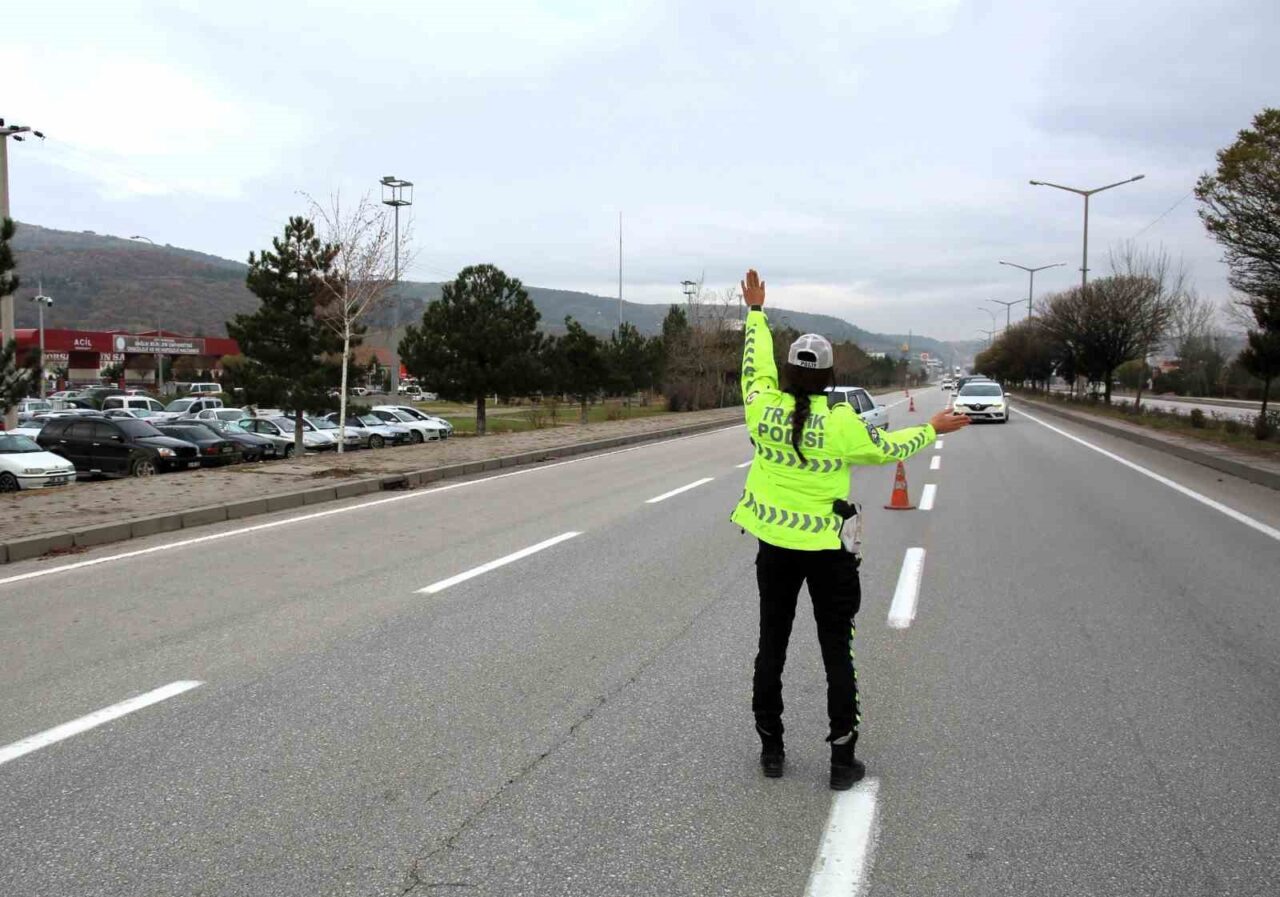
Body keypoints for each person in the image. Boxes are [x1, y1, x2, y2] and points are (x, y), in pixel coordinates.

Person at [730, 269, 970, 790]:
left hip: (774, 549)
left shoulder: (761, 409)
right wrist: (933, 427)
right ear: (831, 377)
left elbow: (753, 368)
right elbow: (890, 449)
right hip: (828, 553)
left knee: (772, 644)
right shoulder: (842, 423)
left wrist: (755, 313)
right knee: (836, 646)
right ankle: (842, 760)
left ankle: (771, 750)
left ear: (789, 373)